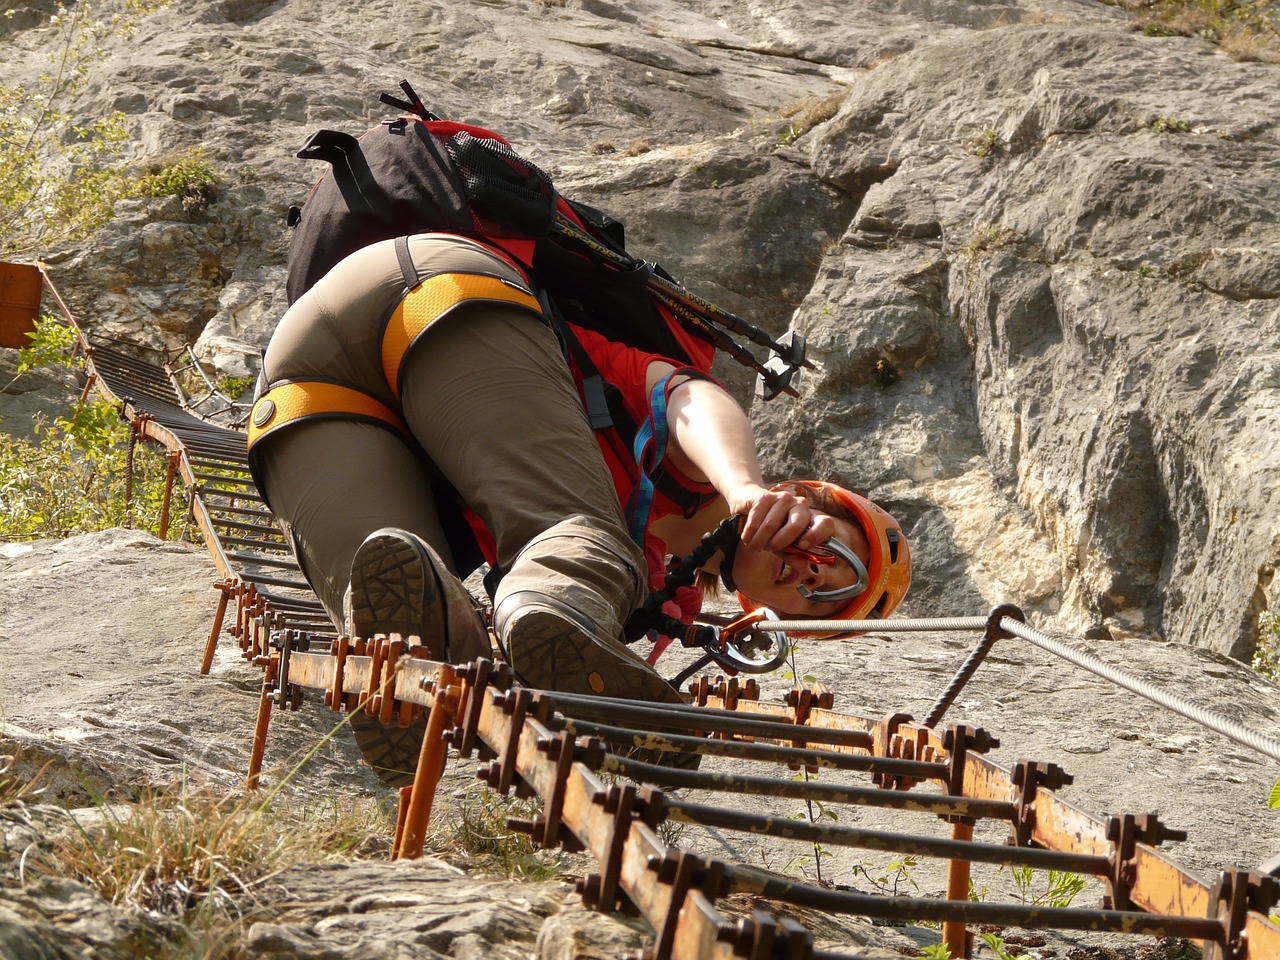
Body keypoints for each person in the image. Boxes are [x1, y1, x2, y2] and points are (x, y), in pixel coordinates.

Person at [247, 231, 912, 710]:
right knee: (579, 541)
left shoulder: (660, 594)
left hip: (304, 381)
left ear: (770, 617)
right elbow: (695, 401)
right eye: (833, 549)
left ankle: (409, 689)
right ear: (802, 497)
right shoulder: (695, 464)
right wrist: (743, 487)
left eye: (823, 596)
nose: (815, 571)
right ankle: (544, 592)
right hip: (439, 292)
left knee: (407, 640)